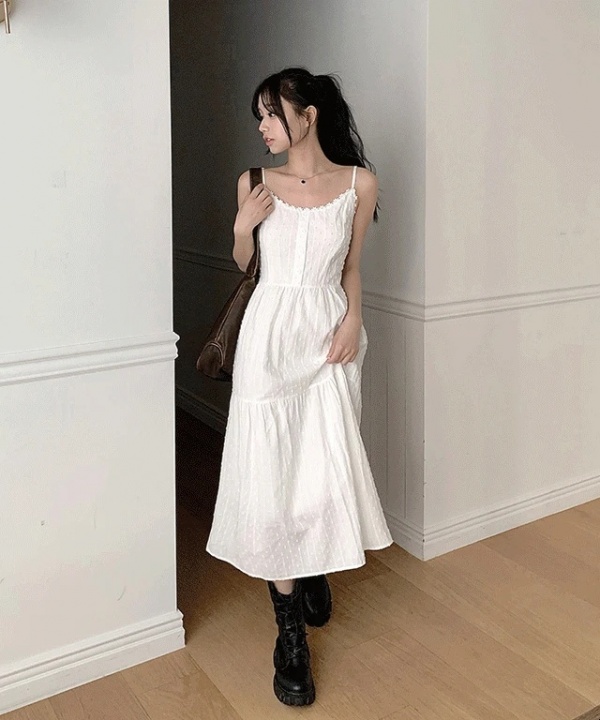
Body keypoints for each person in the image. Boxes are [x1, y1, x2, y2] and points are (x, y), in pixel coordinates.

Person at [205, 67, 393, 707]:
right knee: (272, 473)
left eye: (271, 113)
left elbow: (352, 268)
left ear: (307, 116)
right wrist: (241, 227)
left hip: (329, 338)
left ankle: (311, 566)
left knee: (318, 466)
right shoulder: (254, 182)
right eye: (258, 116)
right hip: (269, 340)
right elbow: (248, 265)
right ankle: (290, 635)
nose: (262, 127)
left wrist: (354, 319)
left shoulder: (359, 184)